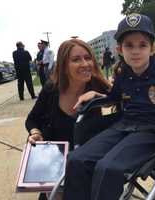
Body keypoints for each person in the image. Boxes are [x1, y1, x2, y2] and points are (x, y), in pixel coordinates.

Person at [63, 13, 155, 200]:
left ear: (152, 49)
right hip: (123, 126)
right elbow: (114, 97)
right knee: (76, 159)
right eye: (129, 45)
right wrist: (97, 95)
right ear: (119, 49)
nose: (135, 51)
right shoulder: (123, 74)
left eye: (142, 45)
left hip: (154, 131)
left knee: (108, 167)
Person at [25, 38, 111, 200]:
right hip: (56, 160)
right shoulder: (51, 89)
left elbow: (126, 99)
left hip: (86, 159)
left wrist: (101, 97)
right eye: (76, 60)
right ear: (64, 66)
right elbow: (32, 119)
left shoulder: (96, 84)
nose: (85, 64)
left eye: (88, 57)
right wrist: (35, 132)